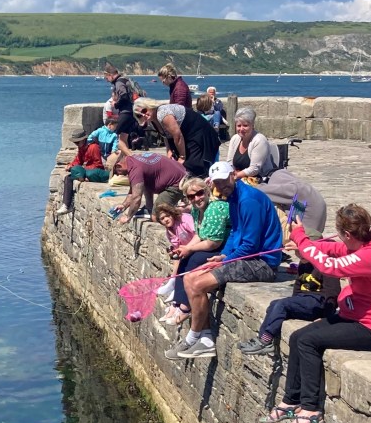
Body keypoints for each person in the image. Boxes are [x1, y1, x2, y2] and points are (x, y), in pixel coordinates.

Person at [260, 205, 371, 423]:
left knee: (309, 342)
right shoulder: (365, 244)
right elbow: (333, 249)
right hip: (358, 318)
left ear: (347, 234)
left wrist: (301, 238)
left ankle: (310, 410)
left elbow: (332, 266)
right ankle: (291, 401)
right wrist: (304, 245)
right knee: (298, 336)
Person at [169, 162, 283, 359]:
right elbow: (234, 234)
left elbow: (251, 245)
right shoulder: (233, 197)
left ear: (233, 175)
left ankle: (193, 337)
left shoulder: (248, 200)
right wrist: (223, 255)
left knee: (198, 284)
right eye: (217, 183)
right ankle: (205, 338)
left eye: (224, 181)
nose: (222, 186)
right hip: (246, 257)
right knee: (189, 277)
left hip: (263, 263)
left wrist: (225, 261)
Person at [160, 178, 230, 325]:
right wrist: (185, 249)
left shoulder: (215, 209)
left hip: (224, 247)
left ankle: (185, 307)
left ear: (207, 191)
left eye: (199, 193)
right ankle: (177, 303)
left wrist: (189, 248)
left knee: (193, 260)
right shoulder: (196, 210)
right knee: (184, 259)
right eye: (191, 196)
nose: (196, 198)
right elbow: (199, 234)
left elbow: (213, 243)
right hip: (210, 244)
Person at [137, 101, 220, 179]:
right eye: (139, 115)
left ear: (149, 106)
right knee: (176, 163)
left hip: (197, 132)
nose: (143, 115)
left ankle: (202, 183)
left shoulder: (162, 113)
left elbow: (178, 135)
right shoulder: (151, 121)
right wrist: (169, 150)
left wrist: (182, 157)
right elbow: (165, 134)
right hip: (184, 135)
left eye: (144, 110)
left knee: (192, 164)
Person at [113, 152, 186, 225]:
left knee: (157, 217)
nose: (118, 175)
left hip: (177, 184)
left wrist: (128, 217)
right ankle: (149, 208)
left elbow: (136, 198)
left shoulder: (135, 168)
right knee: (143, 183)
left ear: (118, 165)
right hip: (179, 174)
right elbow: (134, 190)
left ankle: (183, 214)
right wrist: (124, 205)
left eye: (116, 172)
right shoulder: (132, 160)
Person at [56, 129, 107, 216]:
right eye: (75, 143)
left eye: (77, 142)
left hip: (95, 172)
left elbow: (98, 164)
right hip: (87, 171)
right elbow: (78, 160)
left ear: (83, 140)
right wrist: (70, 166)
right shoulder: (82, 148)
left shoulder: (93, 147)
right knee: (68, 177)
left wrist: (84, 170)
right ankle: (66, 205)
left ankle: (66, 205)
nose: (76, 144)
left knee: (80, 173)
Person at [107, 64, 152, 158]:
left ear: (110, 75)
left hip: (125, 112)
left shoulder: (119, 82)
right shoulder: (125, 79)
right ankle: (126, 161)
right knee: (124, 138)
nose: (107, 80)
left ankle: (132, 157)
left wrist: (115, 104)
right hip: (132, 112)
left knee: (116, 138)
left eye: (106, 78)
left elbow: (124, 96)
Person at [226, 108, 277, 182]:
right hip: (239, 178)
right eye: (239, 126)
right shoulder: (234, 139)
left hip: (259, 179)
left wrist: (236, 176)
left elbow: (254, 169)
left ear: (252, 125)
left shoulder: (259, 140)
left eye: (245, 125)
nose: (241, 129)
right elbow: (229, 163)